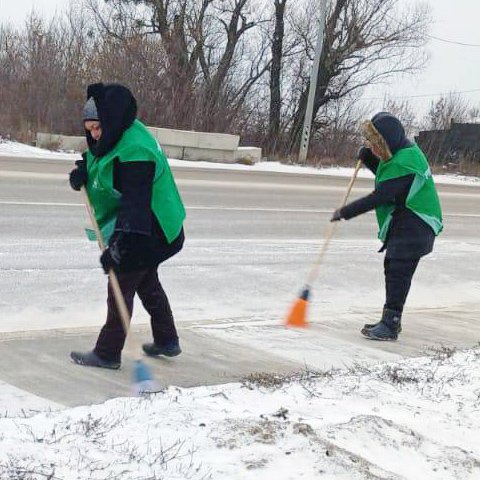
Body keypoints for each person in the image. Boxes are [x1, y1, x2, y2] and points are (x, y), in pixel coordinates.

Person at [69, 82, 186, 368]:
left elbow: (136, 207)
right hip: (151, 225)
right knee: (146, 280)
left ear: (110, 121)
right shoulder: (119, 130)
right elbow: (106, 157)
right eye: (90, 129)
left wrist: (118, 248)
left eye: (98, 127)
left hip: (153, 227)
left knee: (120, 285)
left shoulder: (137, 152)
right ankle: (167, 340)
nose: (94, 135)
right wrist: (85, 168)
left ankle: (107, 353)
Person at [331, 112, 443, 341]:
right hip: (409, 222)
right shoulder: (404, 153)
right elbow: (390, 179)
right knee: (393, 268)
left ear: (387, 142)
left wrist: (345, 212)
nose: (372, 148)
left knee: (398, 272)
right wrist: (371, 161)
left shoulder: (405, 161)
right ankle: (389, 319)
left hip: (416, 226)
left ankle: (390, 324)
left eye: (375, 145)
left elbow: (381, 195)